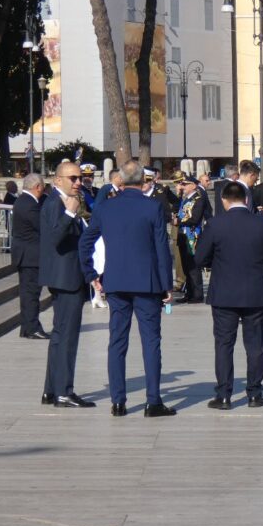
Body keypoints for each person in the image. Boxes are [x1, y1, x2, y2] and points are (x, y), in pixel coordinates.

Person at [79, 161, 175, 417]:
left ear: (120, 179)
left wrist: (91, 274)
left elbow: (85, 241)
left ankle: (118, 401)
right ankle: (152, 401)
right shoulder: (152, 206)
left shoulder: (105, 207)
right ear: (143, 179)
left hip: (117, 282)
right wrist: (167, 284)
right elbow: (161, 248)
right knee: (151, 342)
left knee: (117, 341)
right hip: (147, 283)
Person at [194, 181, 263, 409]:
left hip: (224, 291)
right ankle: (254, 393)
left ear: (224, 200)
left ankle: (223, 395)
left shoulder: (215, 224)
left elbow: (200, 258)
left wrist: (219, 261)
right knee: (256, 345)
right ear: (246, 199)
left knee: (224, 344)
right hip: (256, 291)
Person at [39, 162, 95, 409]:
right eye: (72, 178)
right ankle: (64, 392)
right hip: (66, 278)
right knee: (68, 336)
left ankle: (52, 389)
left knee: (60, 335)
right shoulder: (55, 203)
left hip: (67, 276)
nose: (78, 182)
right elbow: (54, 238)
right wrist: (70, 213)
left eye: (79, 178)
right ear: (57, 180)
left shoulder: (65, 201)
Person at [12, 173, 48, 340]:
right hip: (30, 256)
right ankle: (32, 327)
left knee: (28, 294)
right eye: (43, 187)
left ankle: (27, 327)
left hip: (27, 255)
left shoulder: (22, 201)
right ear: (37, 187)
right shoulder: (29, 204)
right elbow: (41, 227)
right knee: (31, 294)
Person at [174, 174, 211, 304]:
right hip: (183, 236)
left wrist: (178, 221)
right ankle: (189, 293)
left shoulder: (198, 199)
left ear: (193, 185)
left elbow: (195, 218)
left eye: (185, 184)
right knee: (186, 267)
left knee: (193, 267)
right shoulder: (185, 198)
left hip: (192, 237)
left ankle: (197, 295)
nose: (182, 187)